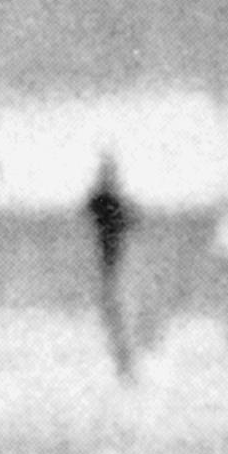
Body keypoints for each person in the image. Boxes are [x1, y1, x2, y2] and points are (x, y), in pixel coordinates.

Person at [84, 149, 140, 379]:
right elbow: (134, 220)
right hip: (115, 266)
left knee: (115, 316)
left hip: (114, 266)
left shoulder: (105, 200)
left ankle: (125, 366)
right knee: (117, 316)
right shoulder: (112, 201)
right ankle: (125, 366)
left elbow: (90, 207)